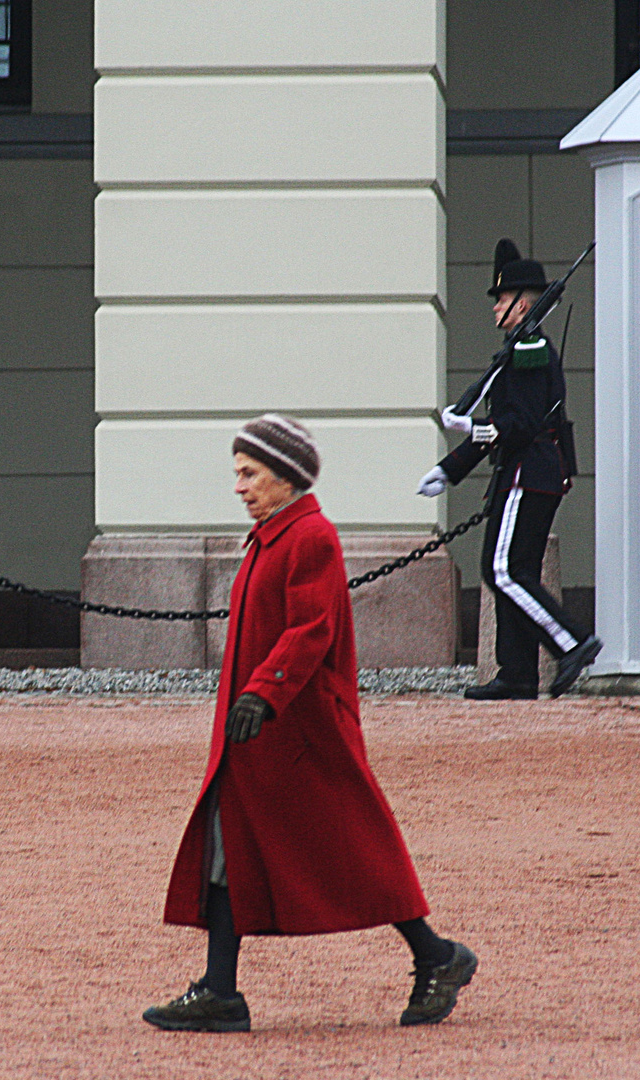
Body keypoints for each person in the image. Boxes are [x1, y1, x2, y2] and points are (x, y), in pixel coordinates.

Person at [142, 414, 477, 1034]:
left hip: (301, 733)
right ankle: (221, 989)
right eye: (238, 474)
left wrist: (264, 694)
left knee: (352, 849)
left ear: (286, 475)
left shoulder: (310, 537)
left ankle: (436, 954)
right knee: (229, 844)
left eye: (249, 473)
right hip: (265, 734)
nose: (239, 486)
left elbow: (311, 628)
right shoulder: (275, 535)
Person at [419, 239, 602, 700]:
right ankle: (517, 672)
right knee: (508, 569)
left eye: (500, 300)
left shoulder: (529, 349)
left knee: (504, 570)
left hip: (528, 473)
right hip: (527, 474)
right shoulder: (521, 347)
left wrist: (474, 429)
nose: (495, 309)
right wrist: (450, 469)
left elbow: (516, 426)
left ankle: (571, 642)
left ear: (522, 304)